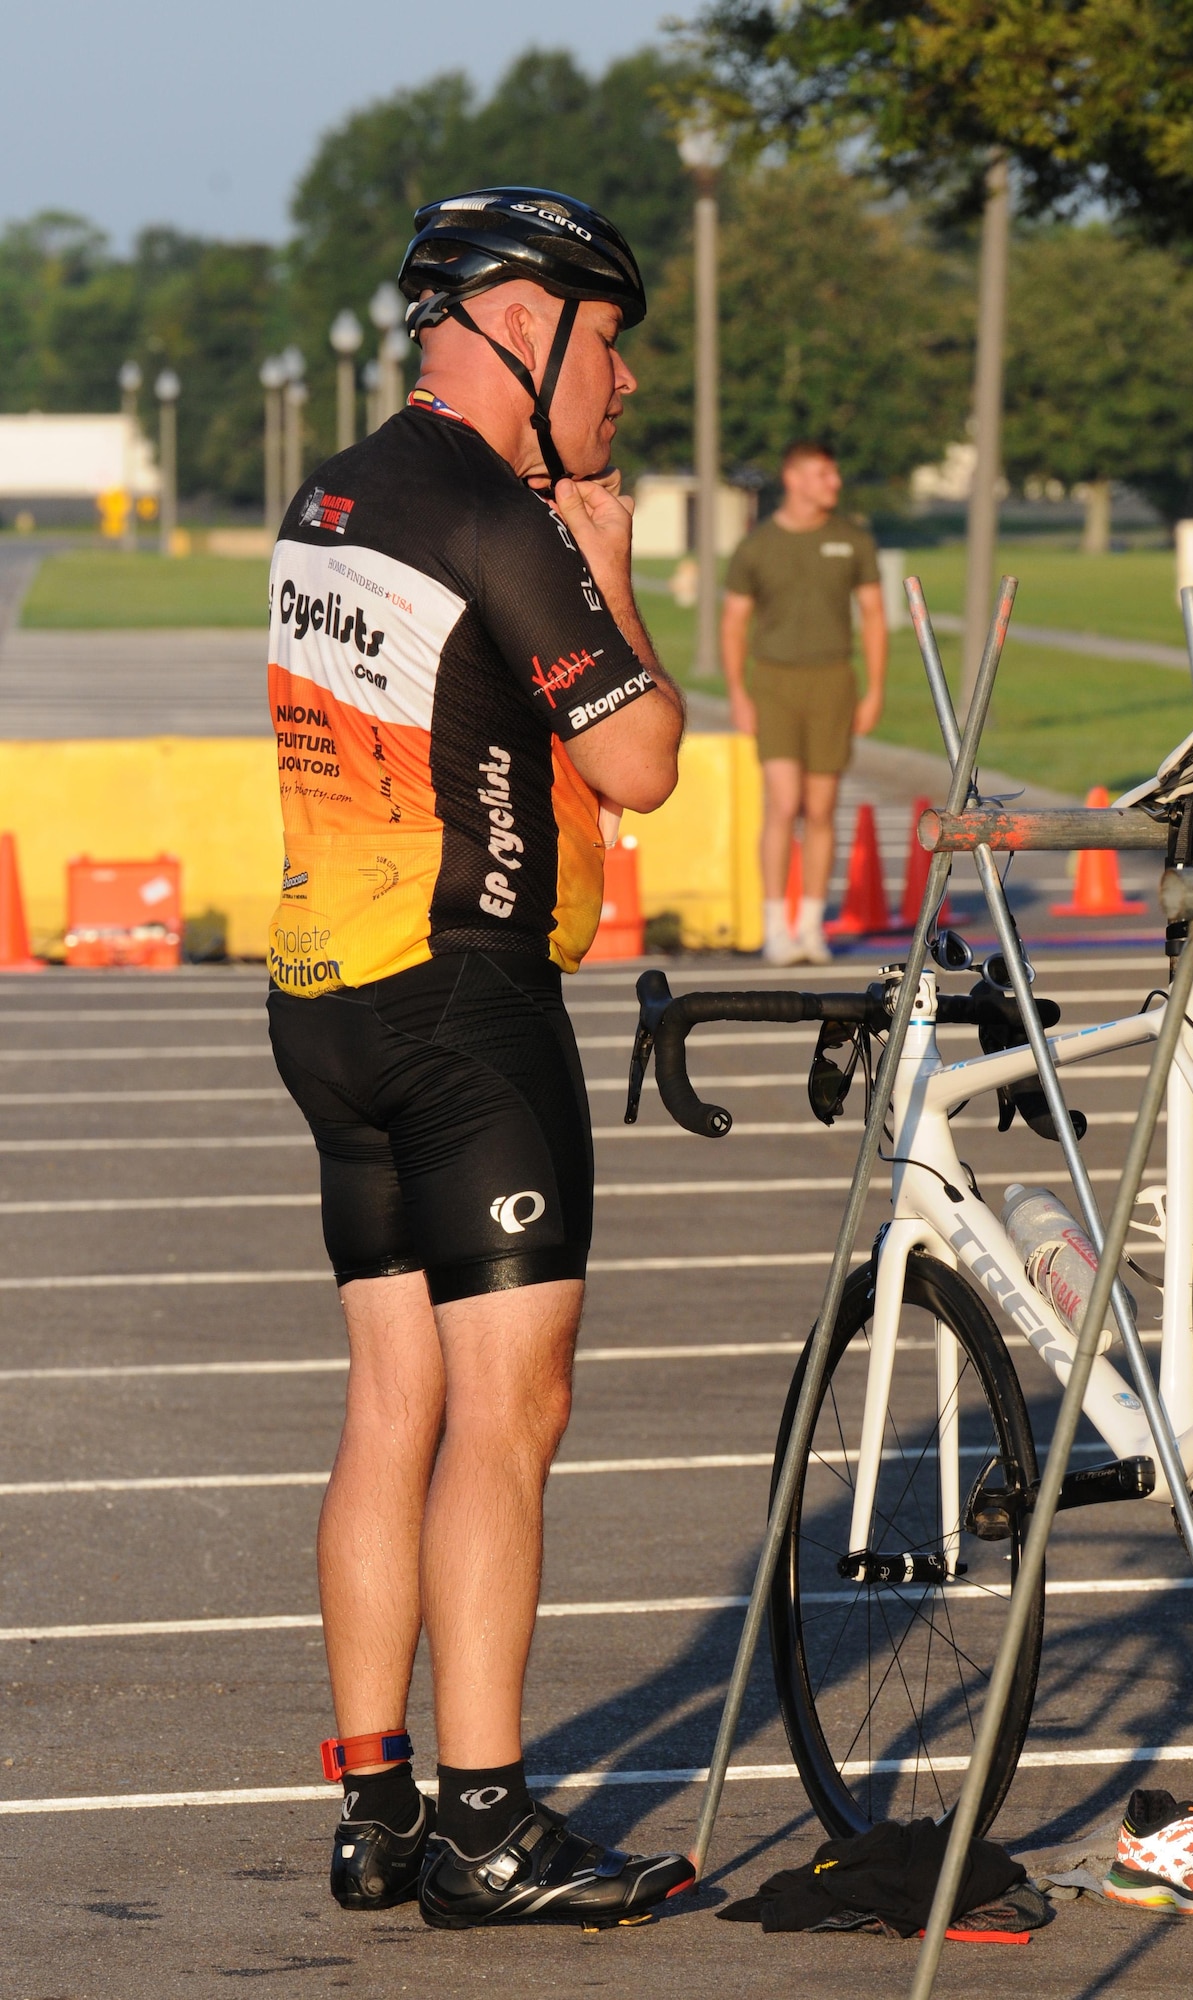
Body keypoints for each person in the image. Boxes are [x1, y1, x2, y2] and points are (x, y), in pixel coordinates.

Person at [264, 186, 690, 1929]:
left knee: (391, 1403)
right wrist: (610, 561)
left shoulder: (337, 489)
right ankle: (492, 1824)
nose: (625, 389)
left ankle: (376, 1799)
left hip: (326, 997)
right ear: (526, 328)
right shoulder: (488, 512)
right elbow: (645, 758)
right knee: (507, 1419)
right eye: (612, 346)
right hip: (462, 1005)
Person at [721, 442, 887, 965]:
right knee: (784, 803)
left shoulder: (852, 540)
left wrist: (874, 688)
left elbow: (875, 617)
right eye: (822, 474)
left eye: (834, 475)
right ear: (793, 478)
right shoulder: (757, 547)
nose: (833, 484)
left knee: (820, 808)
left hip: (833, 682)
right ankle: (776, 927)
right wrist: (739, 694)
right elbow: (733, 624)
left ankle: (811, 926)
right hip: (774, 683)